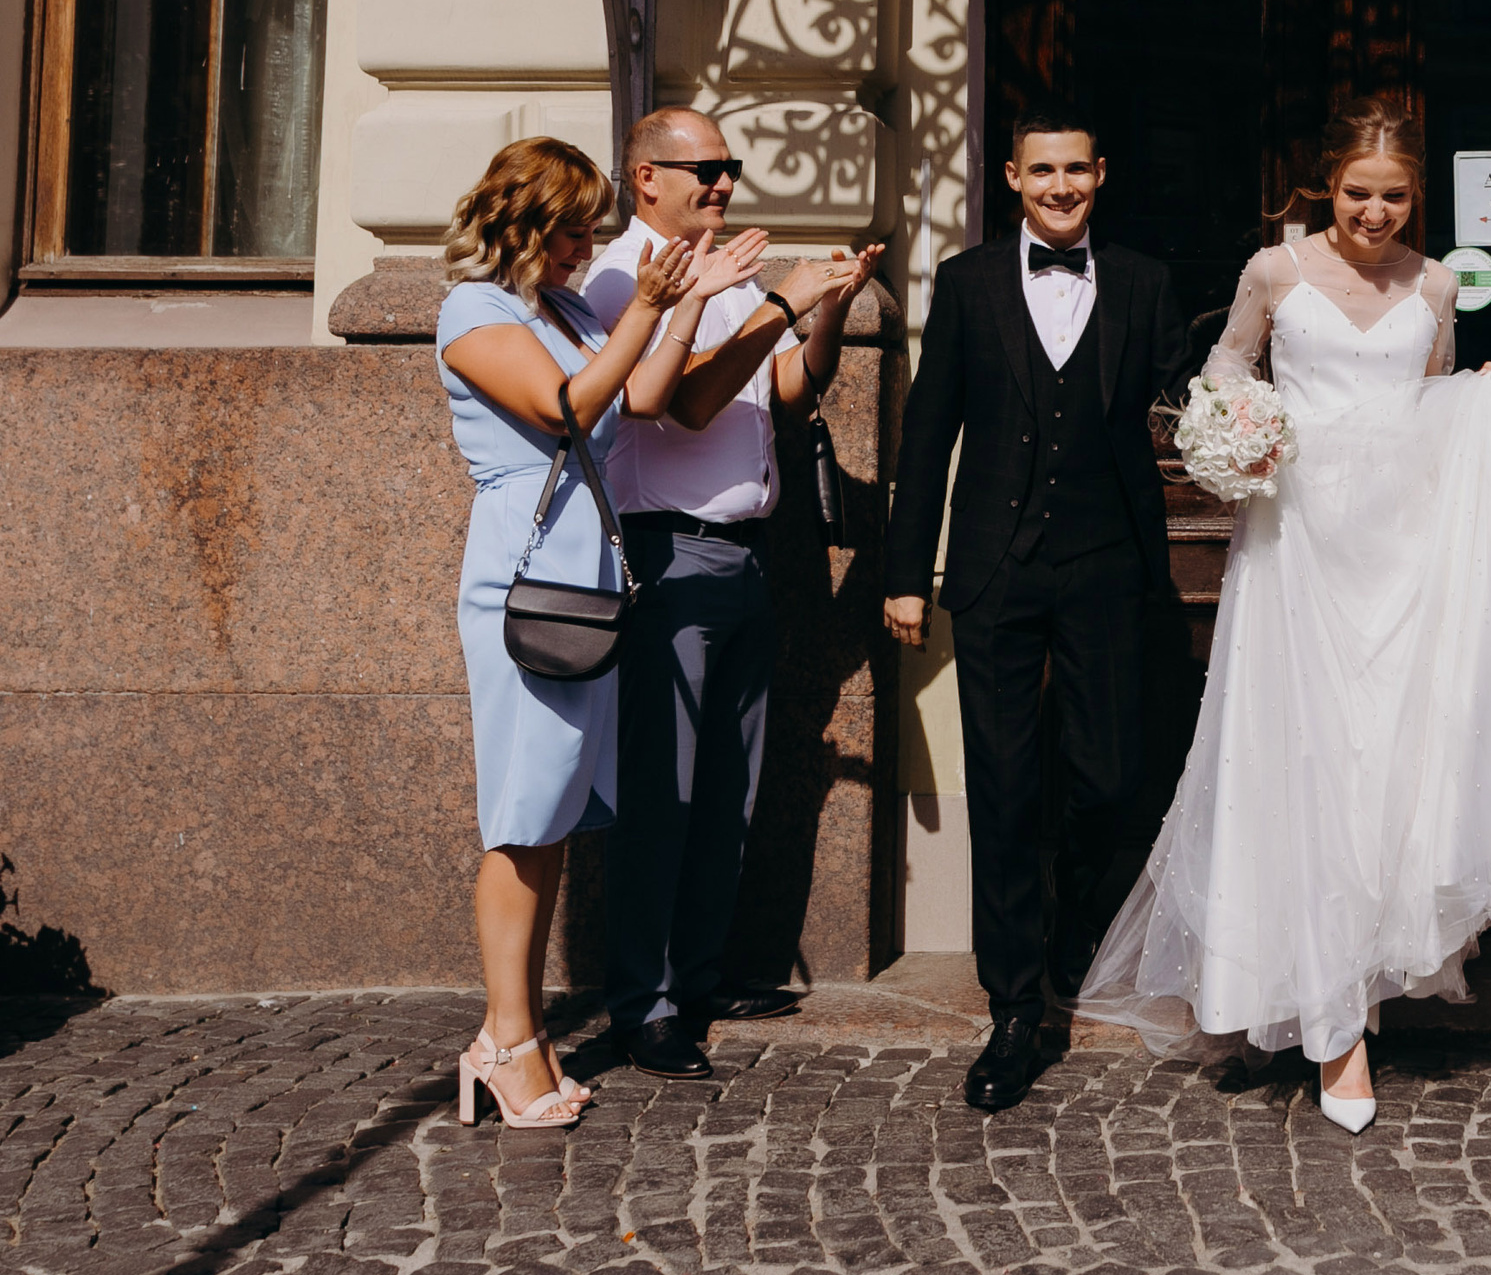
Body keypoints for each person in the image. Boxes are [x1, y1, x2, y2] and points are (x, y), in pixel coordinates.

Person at [1071, 98, 1491, 1135]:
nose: (1376, 213)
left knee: (1379, 767)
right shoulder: (1275, 270)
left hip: (1398, 557)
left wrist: (1487, 398)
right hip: (1296, 542)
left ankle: (1353, 984)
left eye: (1395, 196)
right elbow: (1225, 363)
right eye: (1360, 193)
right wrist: (1237, 428)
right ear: (1327, 187)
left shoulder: (1435, 283)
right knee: (1294, 762)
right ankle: (1302, 1008)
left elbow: (1429, 407)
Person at [435, 135, 763, 1127]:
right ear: (523, 222)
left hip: (587, 575)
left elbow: (644, 392)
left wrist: (690, 300)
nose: (588, 245)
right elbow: (573, 405)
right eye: (574, 227)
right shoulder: (474, 309)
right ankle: (505, 1038)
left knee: (557, 820)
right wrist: (656, 306)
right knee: (521, 818)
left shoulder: (568, 308)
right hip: (528, 576)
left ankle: (515, 1028)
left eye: (590, 227)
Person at [881, 107, 1191, 1113]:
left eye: (1076, 170)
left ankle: (1073, 928)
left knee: (1111, 780)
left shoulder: (1144, 282)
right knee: (1006, 790)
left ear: (1101, 174)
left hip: (1109, 565)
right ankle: (1013, 1007)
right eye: (1040, 170)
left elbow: (1188, 408)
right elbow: (928, 432)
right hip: (994, 571)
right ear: (1013, 177)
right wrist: (904, 570)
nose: (1060, 186)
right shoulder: (967, 281)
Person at [584, 107, 881, 1081]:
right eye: (700, 168)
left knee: (728, 791)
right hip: (667, 554)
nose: (720, 183)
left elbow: (790, 392)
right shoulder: (625, 276)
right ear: (645, 177)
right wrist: (781, 305)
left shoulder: (732, 269)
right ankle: (645, 1000)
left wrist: (830, 301)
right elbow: (682, 399)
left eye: (729, 167)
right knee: (662, 793)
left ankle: (699, 973)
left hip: (747, 551)